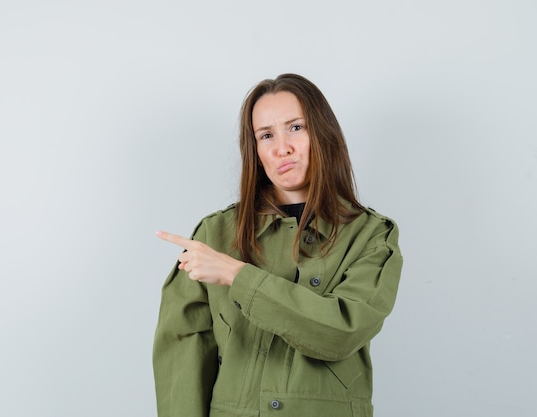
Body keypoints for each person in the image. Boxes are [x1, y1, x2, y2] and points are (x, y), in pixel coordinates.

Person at [152, 73, 403, 417]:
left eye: (296, 127)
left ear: (323, 132)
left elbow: (343, 331)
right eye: (266, 135)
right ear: (255, 150)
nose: (281, 147)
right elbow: (183, 352)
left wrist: (237, 275)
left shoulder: (372, 235)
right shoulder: (215, 234)